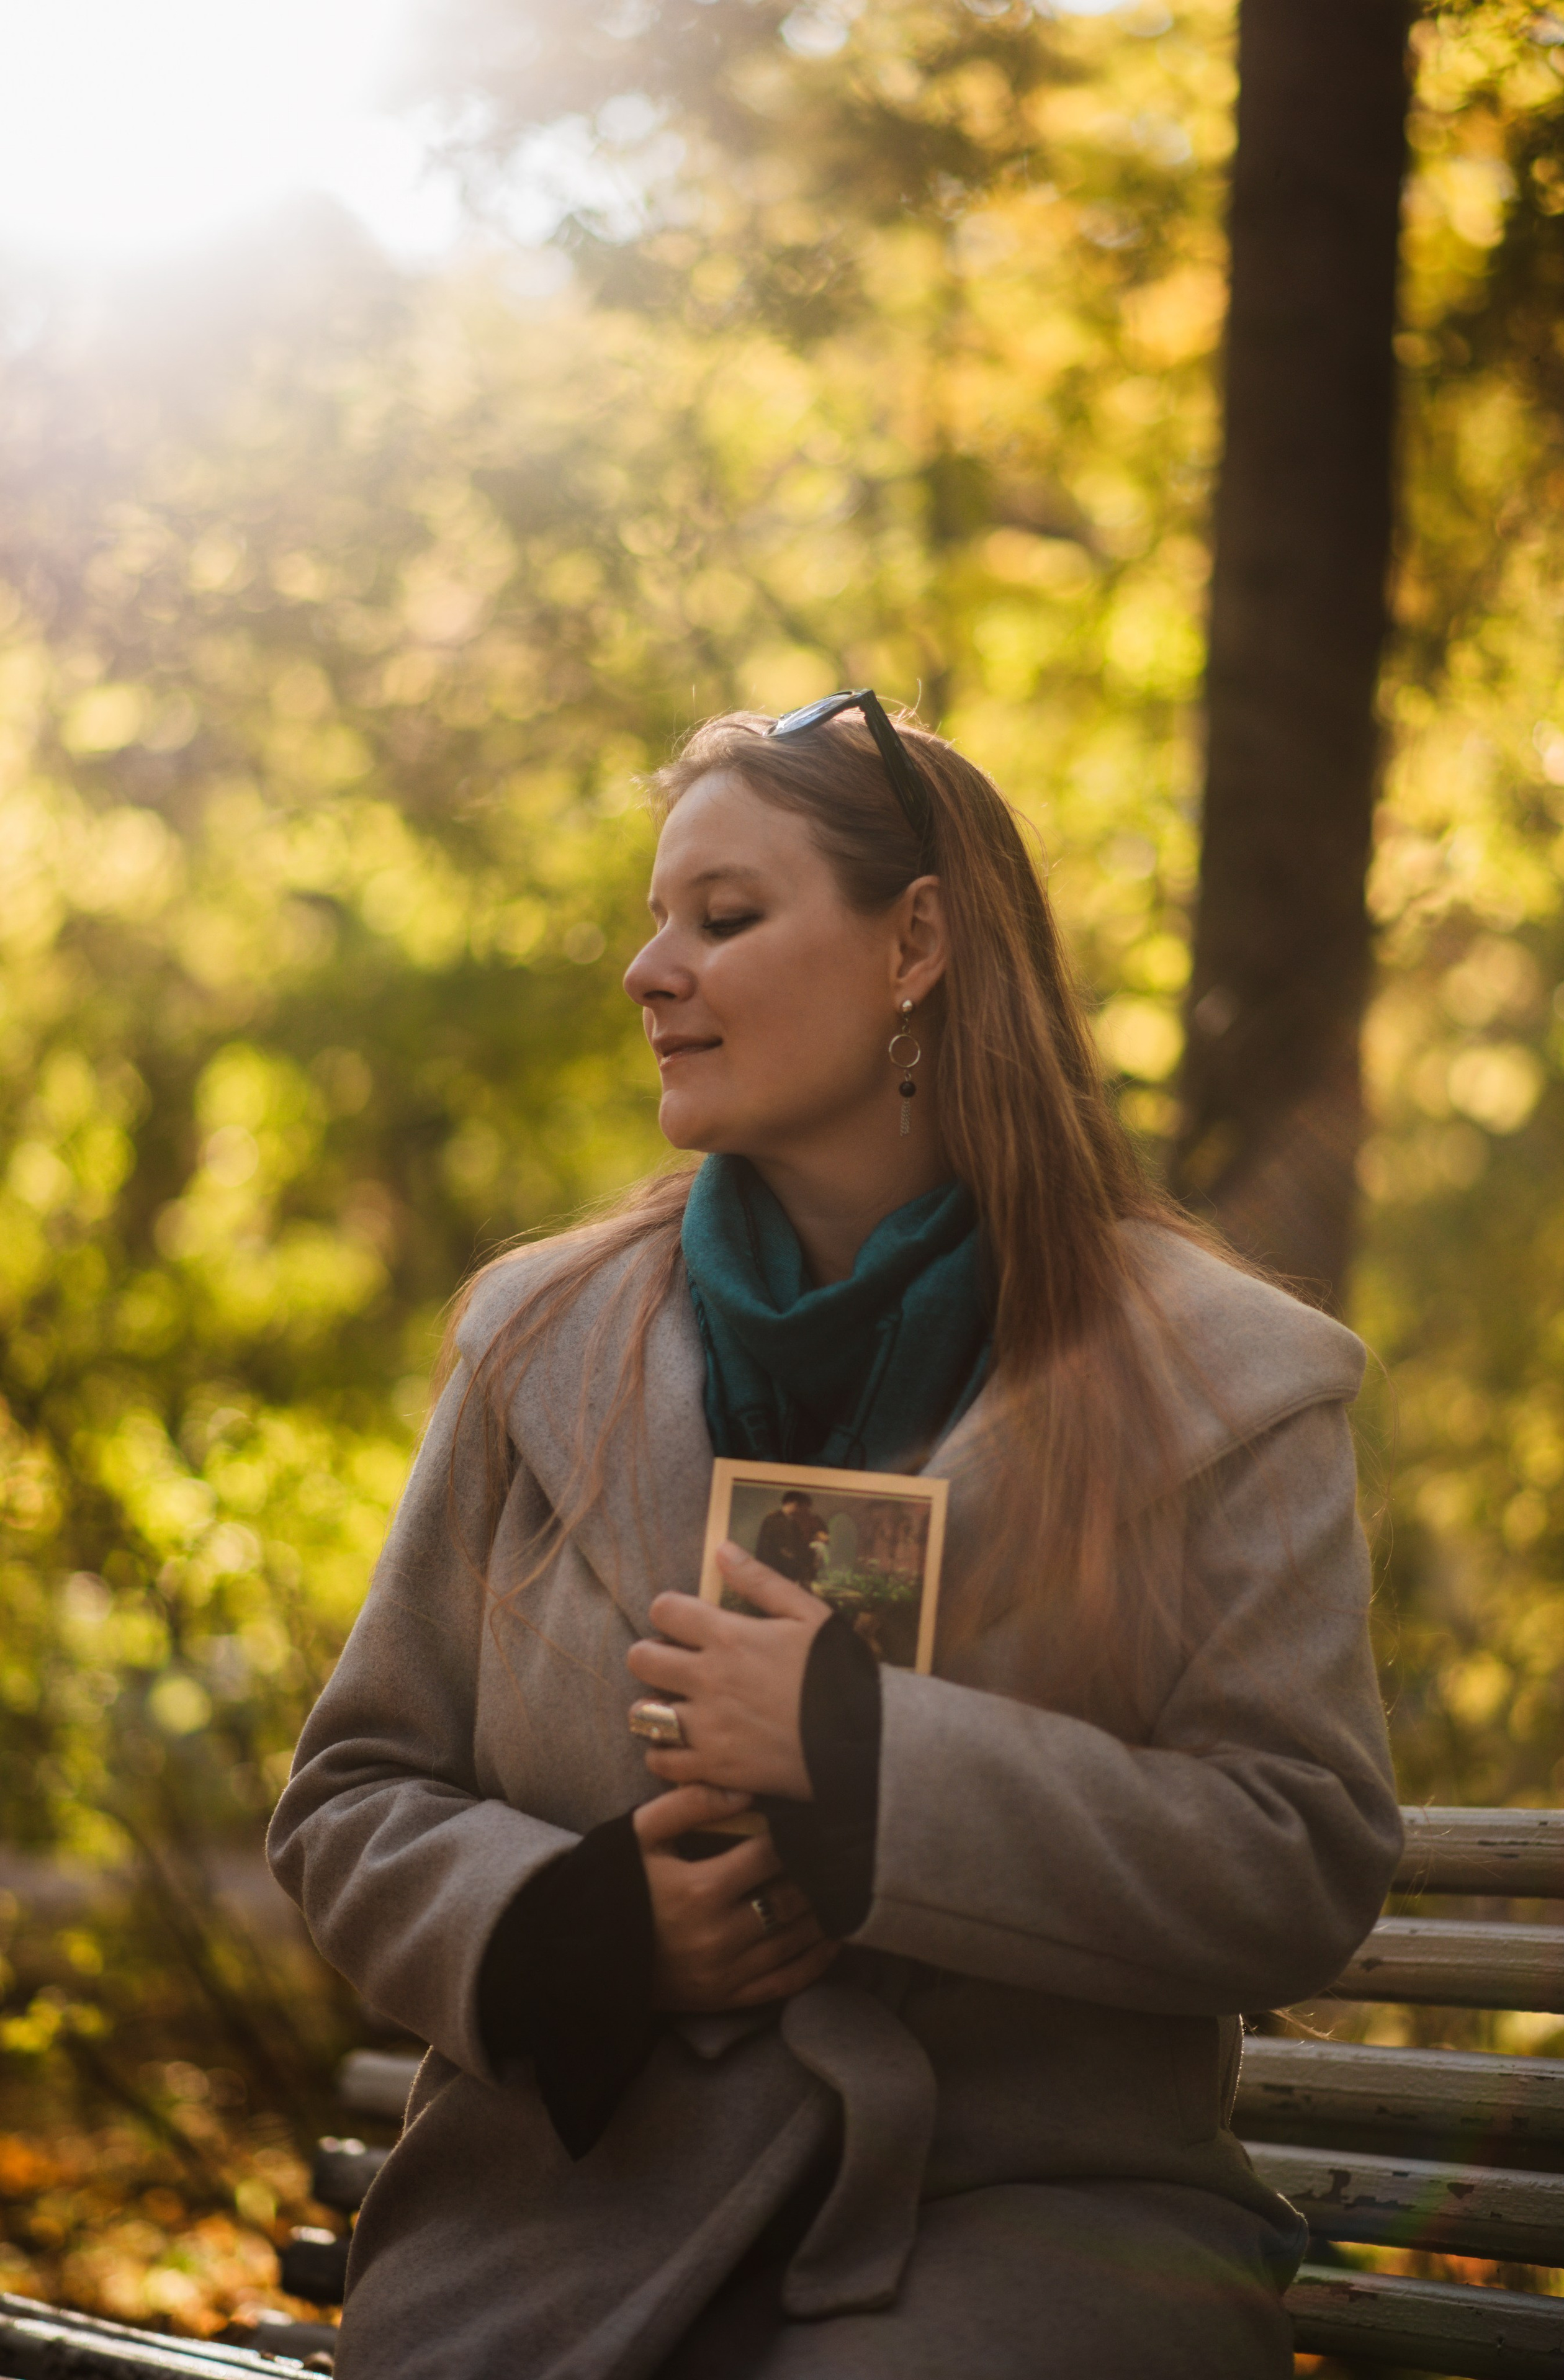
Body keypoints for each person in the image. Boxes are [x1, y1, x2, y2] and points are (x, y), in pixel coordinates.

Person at [267, 692, 1402, 2380]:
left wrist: (865, 1757)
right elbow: (351, 1801)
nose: (654, 970)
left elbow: (1297, 1858)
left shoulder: (1229, 1379)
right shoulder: (535, 1342)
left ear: (918, 941)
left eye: (723, 918)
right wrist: (594, 1928)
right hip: (562, 2231)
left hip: (1031, 2234)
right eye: (658, 921)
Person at [755, 1491, 827, 1587]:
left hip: (788, 1560)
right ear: (791, 1503)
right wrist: (797, 1558)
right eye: (801, 1506)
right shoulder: (774, 1520)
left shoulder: (791, 1521)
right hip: (774, 1563)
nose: (804, 1510)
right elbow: (775, 1548)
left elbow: (798, 1544)